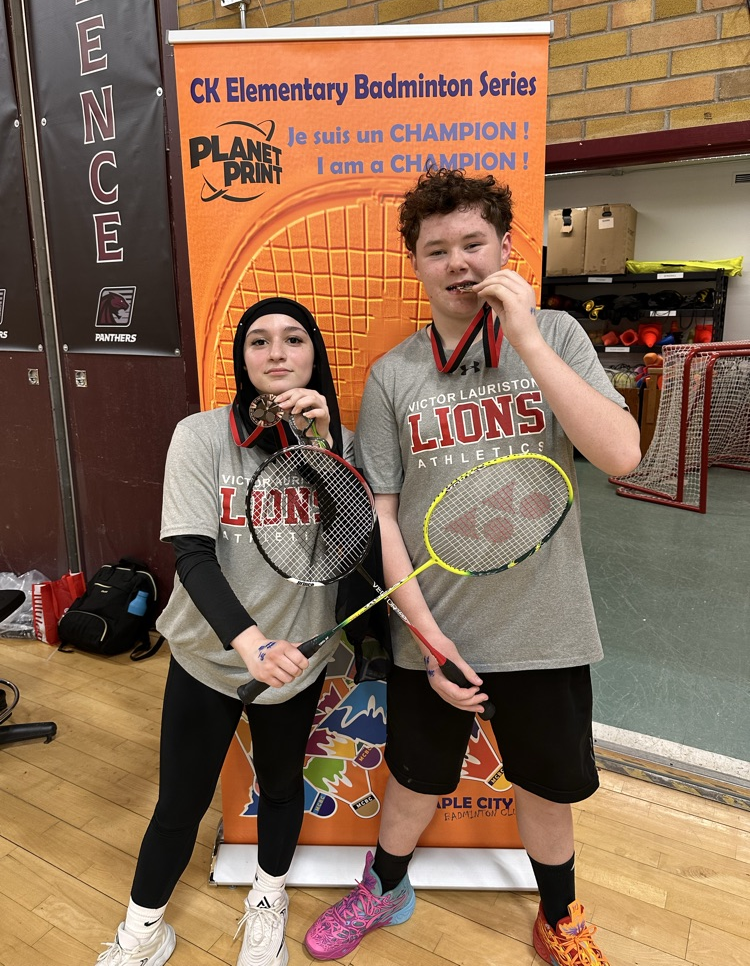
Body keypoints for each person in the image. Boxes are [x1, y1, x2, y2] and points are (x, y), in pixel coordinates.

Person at [304, 169, 642, 966]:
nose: (456, 263)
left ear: (504, 248)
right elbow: (381, 513)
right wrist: (425, 634)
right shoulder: (393, 375)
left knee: (546, 788)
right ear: (415, 264)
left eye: (472, 244)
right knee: (415, 782)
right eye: (436, 250)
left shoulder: (555, 338)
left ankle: (558, 915)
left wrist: (524, 336)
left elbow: (623, 453)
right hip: (435, 629)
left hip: (545, 624)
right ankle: (384, 890)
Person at [96, 297, 356, 966]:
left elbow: (356, 540)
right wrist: (248, 642)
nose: (276, 353)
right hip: (212, 656)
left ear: (314, 356)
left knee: (278, 787)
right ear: (241, 360)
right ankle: (141, 933)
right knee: (179, 804)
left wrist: (326, 446)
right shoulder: (200, 435)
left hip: (297, 658)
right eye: (259, 341)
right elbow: (191, 554)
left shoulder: (337, 441)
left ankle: (268, 898)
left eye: (294, 340)